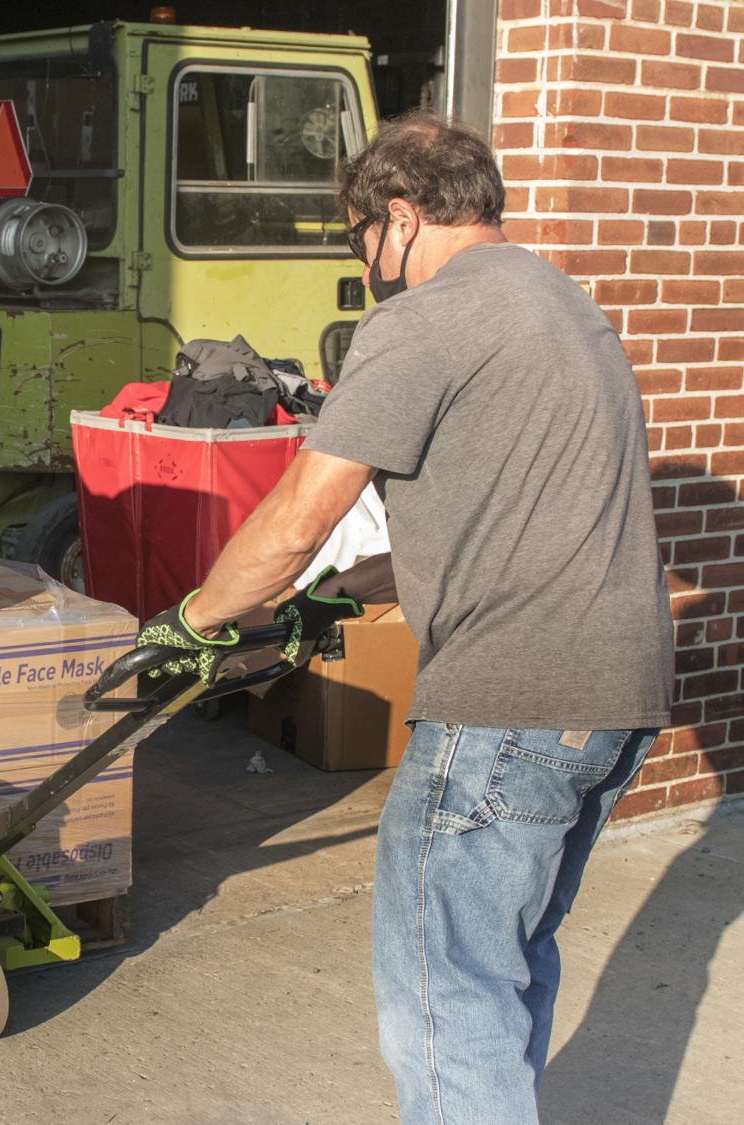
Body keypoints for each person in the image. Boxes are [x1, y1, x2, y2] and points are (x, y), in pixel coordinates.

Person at [136, 112, 673, 1123]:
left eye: (360, 239)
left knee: (446, 1004)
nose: (367, 264)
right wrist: (328, 604)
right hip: (612, 705)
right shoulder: (564, 305)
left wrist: (196, 617)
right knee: (504, 973)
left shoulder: (426, 321)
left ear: (401, 216)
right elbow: (498, 520)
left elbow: (302, 512)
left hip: (504, 710)